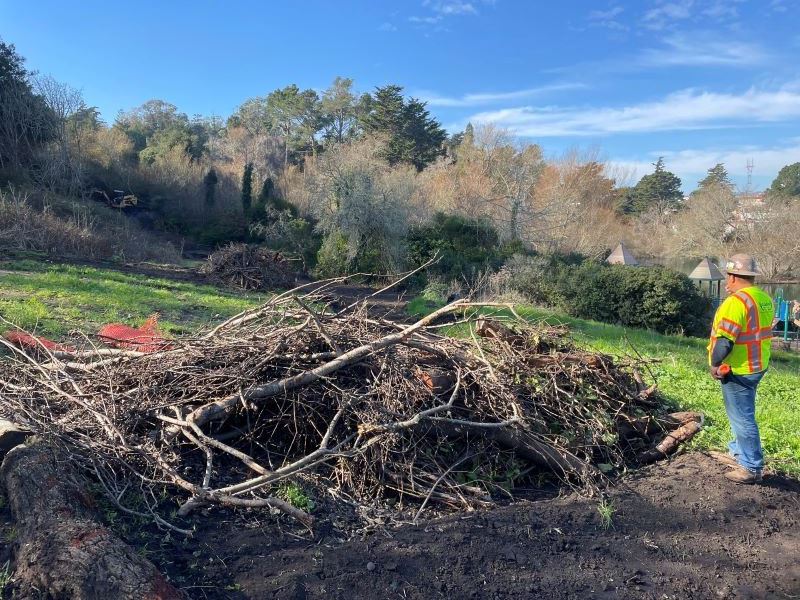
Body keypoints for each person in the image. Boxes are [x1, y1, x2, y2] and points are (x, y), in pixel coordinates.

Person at [707, 254, 774, 484]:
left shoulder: (735, 303)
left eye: (728, 276)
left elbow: (724, 342)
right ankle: (738, 450)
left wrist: (715, 365)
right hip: (757, 365)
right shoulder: (763, 298)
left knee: (742, 417)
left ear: (733, 276)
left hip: (738, 369)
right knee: (742, 412)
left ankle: (751, 467)